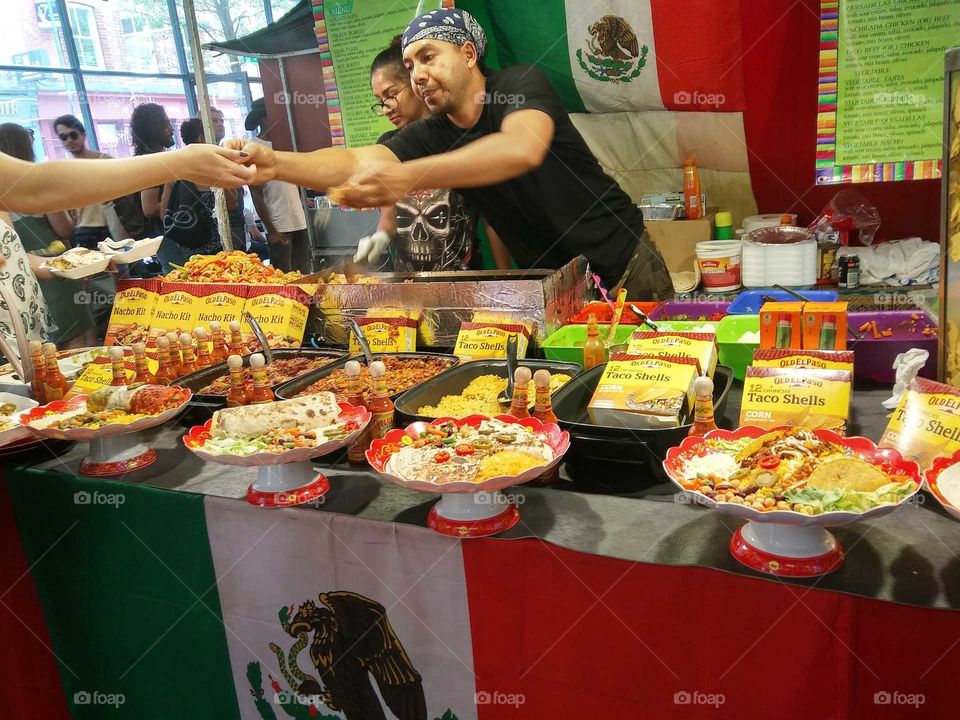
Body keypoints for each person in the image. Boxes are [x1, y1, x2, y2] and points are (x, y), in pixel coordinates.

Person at [232, 9, 672, 299]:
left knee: (657, 389)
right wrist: (276, 165)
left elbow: (522, 148)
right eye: (410, 66)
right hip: (561, 285)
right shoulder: (435, 132)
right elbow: (356, 160)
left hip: (625, 263)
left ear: (467, 53)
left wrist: (409, 176)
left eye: (428, 57)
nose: (418, 74)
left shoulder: (518, 86)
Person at [359, 35, 510, 272]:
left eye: (391, 94)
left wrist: (506, 278)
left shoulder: (459, 137)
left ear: (414, 82)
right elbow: (389, 217)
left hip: (465, 282)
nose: (386, 108)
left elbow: (495, 222)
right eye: (379, 101)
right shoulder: (388, 145)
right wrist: (379, 237)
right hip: (410, 287)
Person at [0, 124, 96, 347]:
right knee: (74, 343)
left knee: (43, 351)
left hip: (28, 281)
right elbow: (65, 230)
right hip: (52, 277)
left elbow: (15, 256)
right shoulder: (35, 188)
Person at [243, 98, 310, 274]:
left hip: (298, 221)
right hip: (279, 226)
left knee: (304, 277)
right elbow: (256, 194)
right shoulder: (254, 147)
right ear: (265, 119)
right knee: (283, 279)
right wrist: (271, 230)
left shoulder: (287, 144)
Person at [158, 118, 229, 271]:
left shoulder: (176, 171)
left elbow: (164, 214)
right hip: (220, 247)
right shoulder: (214, 170)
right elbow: (233, 204)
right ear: (202, 139)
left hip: (190, 248)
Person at [53, 114, 114, 250]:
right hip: (85, 231)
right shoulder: (66, 171)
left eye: (73, 135)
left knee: (123, 268)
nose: (69, 140)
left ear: (83, 135)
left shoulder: (104, 161)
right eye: (64, 137)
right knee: (96, 270)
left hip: (113, 226)